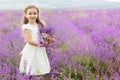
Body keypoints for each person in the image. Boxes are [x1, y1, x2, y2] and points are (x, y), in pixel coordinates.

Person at [19, 5, 54, 79]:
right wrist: (41, 45)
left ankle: (39, 77)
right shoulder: (26, 27)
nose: (32, 15)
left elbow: (47, 36)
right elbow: (29, 41)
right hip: (31, 49)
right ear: (26, 15)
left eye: (34, 13)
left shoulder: (40, 25)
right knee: (32, 66)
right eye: (30, 13)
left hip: (40, 49)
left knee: (39, 65)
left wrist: (50, 40)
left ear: (37, 15)